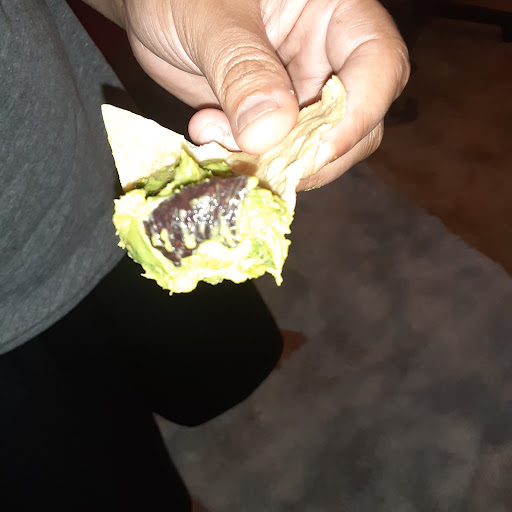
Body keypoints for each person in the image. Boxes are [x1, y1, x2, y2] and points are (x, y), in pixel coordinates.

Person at [0, 0, 409, 509]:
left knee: (215, 351)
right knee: (103, 475)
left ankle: (244, 367)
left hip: (101, 162)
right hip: (11, 330)